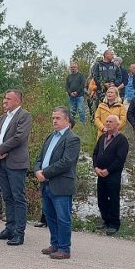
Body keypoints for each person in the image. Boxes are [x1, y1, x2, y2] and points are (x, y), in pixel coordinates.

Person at [34, 106, 80, 260]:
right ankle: (55, 244)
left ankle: (64, 248)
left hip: (60, 184)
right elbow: (40, 157)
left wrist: (45, 173)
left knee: (63, 217)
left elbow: (66, 162)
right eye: (53, 118)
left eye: (58, 118)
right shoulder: (50, 136)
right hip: (46, 183)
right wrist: (37, 170)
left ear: (67, 120)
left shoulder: (72, 138)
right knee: (50, 216)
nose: (54, 120)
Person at [0, 89, 32, 246]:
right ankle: (9, 228)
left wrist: (1, 149)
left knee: (18, 197)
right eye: (4, 97)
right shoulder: (2, 117)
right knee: (7, 197)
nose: (4, 101)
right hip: (2, 162)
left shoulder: (24, 116)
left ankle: (19, 233)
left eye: (8, 98)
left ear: (17, 101)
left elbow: (19, 137)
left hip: (16, 162)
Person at [93, 115, 129, 236]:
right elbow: (95, 153)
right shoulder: (102, 137)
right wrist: (96, 167)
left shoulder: (122, 140)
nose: (107, 123)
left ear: (117, 124)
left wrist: (108, 170)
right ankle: (105, 220)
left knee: (113, 199)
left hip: (113, 174)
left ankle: (114, 224)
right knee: (101, 199)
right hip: (100, 173)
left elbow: (120, 159)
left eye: (110, 122)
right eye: (106, 121)